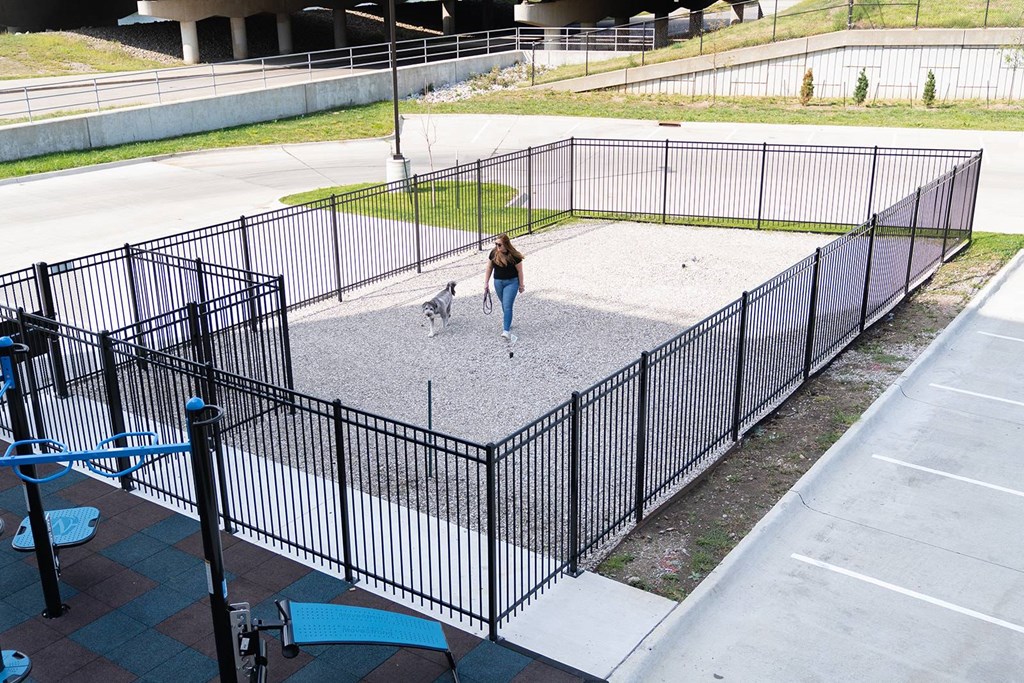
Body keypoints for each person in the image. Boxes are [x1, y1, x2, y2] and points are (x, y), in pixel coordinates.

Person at [483, 233, 525, 343]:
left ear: (506, 244)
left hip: (512, 283)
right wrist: (486, 283)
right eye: (496, 244)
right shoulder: (493, 253)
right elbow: (489, 268)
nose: (497, 247)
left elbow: (520, 271)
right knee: (504, 303)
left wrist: (521, 285)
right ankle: (508, 321)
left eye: (499, 244)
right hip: (498, 282)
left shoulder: (514, 256)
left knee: (507, 306)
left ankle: (506, 330)